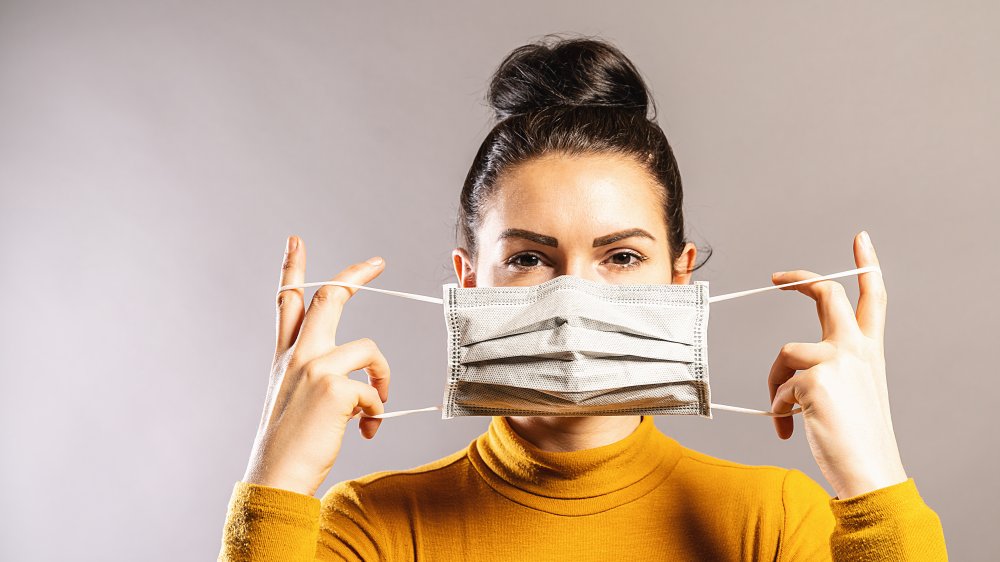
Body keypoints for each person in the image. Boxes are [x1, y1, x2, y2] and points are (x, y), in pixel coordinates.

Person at [219, 35, 947, 561]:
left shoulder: (773, 521)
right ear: (468, 282)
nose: (573, 299)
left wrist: (876, 481)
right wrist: (274, 479)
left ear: (679, 279)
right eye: (530, 258)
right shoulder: (373, 527)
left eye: (621, 256)